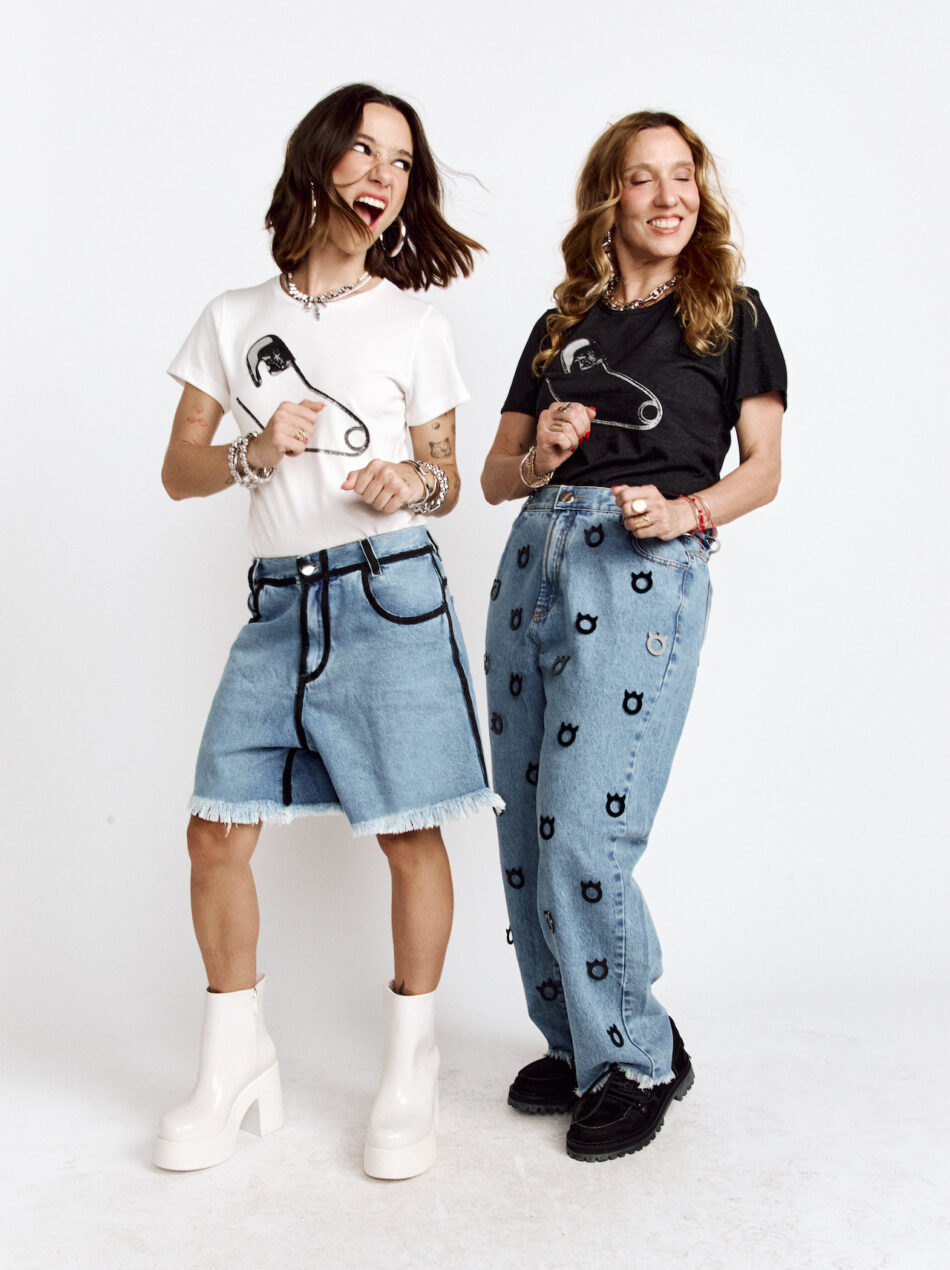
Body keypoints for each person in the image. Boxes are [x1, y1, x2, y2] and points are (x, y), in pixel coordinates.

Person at [154, 83, 498, 1180]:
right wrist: (252, 452)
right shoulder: (231, 317)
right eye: (362, 150)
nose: (382, 176)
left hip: (389, 596)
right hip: (277, 609)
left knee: (409, 832)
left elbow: (447, 477)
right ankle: (234, 1061)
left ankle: (410, 1066)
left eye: (400, 162)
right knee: (215, 830)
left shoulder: (414, 323)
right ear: (318, 161)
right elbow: (178, 471)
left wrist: (412, 479)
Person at [481, 111, 786, 1162]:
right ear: (607, 200)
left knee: (584, 826)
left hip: (641, 565)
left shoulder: (732, 314)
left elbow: (763, 470)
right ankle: (579, 1042)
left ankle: (638, 1056)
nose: (668, 196)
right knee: (524, 826)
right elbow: (495, 477)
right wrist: (542, 451)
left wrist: (686, 512)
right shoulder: (556, 325)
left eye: (683, 176)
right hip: (535, 553)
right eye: (643, 178)